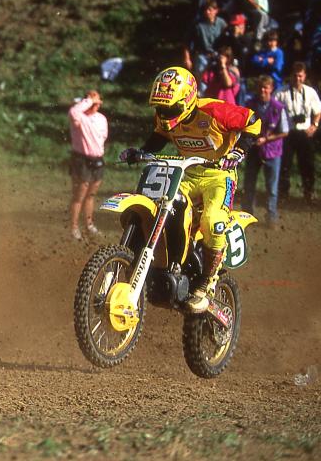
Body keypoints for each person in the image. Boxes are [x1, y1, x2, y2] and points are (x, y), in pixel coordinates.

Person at [120, 66, 261, 313]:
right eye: (160, 107)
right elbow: (160, 135)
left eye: (170, 108)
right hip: (187, 173)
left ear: (187, 99)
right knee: (164, 206)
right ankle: (170, 262)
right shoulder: (165, 118)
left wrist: (239, 151)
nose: (164, 113)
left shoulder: (214, 111)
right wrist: (141, 151)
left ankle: (206, 283)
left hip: (220, 176)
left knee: (212, 221)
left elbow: (252, 121)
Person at [241, 75, 289, 226]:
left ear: (271, 89)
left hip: (273, 151)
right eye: (260, 87)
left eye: (266, 88)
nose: (263, 90)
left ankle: (271, 217)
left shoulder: (278, 107)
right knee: (249, 184)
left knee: (272, 187)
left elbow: (285, 131)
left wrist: (267, 139)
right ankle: (247, 215)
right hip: (254, 150)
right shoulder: (250, 105)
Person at [275, 61, 321, 202]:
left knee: (307, 164)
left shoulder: (310, 92)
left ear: (304, 76)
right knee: (285, 164)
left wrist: (314, 125)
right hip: (288, 133)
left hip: (305, 132)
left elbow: (318, 111)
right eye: (295, 76)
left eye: (300, 76)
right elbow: (273, 109)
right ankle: (283, 194)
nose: (297, 79)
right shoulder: (281, 92)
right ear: (291, 76)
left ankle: (309, 193)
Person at [68, 91, 108, 241]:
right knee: (79, 194)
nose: (95, 106)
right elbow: (73, 111)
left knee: (91, 194)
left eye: (97, 103)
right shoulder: (79, 117)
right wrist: (88, 101)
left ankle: (89, 224)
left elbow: (103, 137)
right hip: (81, 160)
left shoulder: (101, 118)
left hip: (97, 160)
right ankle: (73, 227)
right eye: (93, 103)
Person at [184, 1, 227, 85]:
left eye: (210, 10)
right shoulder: (197, 24)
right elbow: (187, 42)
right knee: (202, 83)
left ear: (216, 11)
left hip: (217, 56)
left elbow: (228, 39)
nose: (207, 12)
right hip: (202, 56)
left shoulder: (221, 23)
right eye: (206, 10)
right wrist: (187, 58)